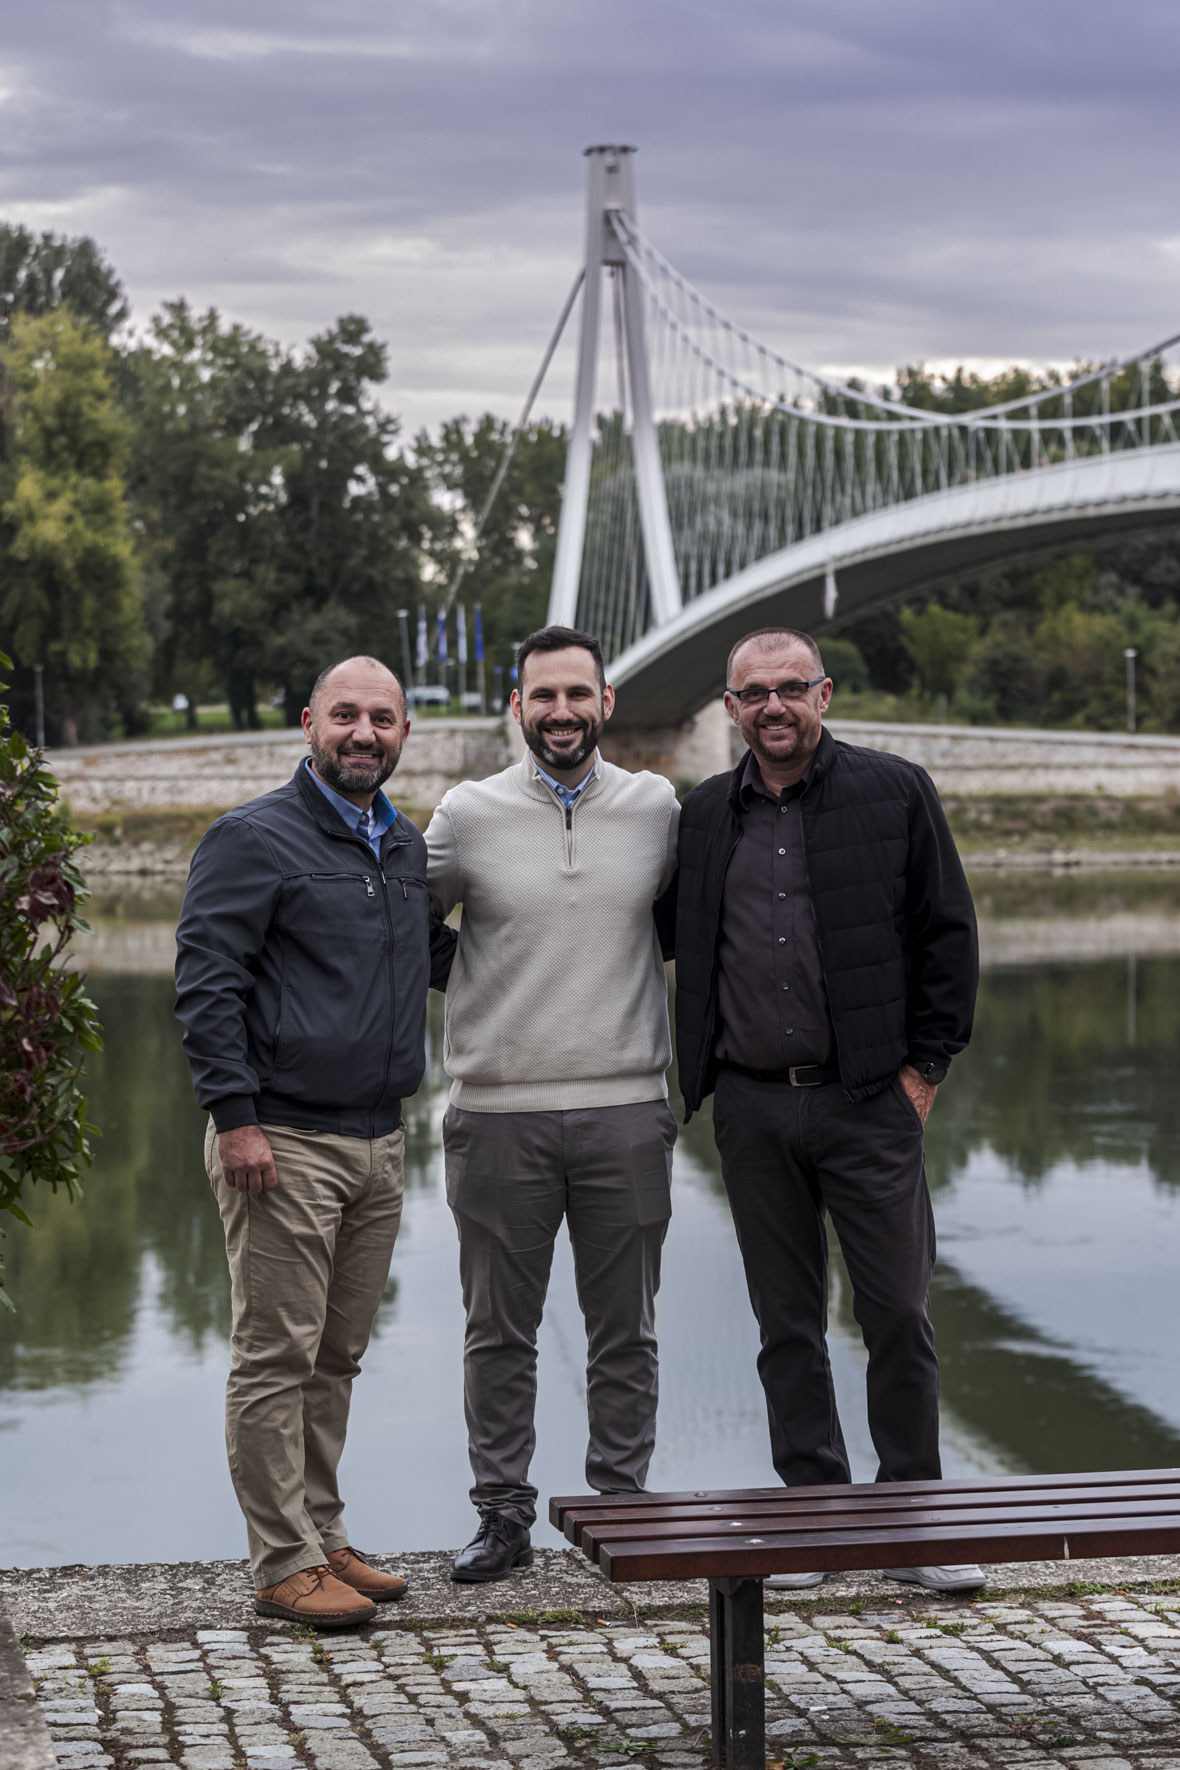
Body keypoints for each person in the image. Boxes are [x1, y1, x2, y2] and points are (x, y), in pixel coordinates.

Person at [672, 625, 984, 1594]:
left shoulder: (894, 792)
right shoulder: (701, 815)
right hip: (753, 1111)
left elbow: (949, 935)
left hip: (867, 1103)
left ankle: (909, 1530)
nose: (772, 706)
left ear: (824, 694)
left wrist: (922, 1072)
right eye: (753, 693)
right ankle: (814, 1519)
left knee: (896, 1312)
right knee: (786, 1325)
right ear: (729, 709)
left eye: (790, 688)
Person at [175, 656, 454, 1627]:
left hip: (379, 1140)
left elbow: (433, 962)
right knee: (274, 1355)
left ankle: (323, 1531)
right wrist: (235, 1118)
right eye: (346, 715)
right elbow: (206, 988)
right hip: (280, 1139)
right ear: (308, 723)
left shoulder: (404, 844)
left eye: (382, 718)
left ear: (404, 732)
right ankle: (281, 1560)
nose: (363, 733)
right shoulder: (253, 837)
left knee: (335, 1355)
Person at [425, 625, 680, 1583]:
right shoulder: (467, 813)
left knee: (628, 1331)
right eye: (544, 697)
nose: (561, 713)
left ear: (606, 702)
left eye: (578, 694)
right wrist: (482, 983)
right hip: (495, 1115)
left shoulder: (658, 808)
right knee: (498, 1333)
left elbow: (695, 926)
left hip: (626, 1107)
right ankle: (501, 1518)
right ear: (519, 707)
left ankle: (622, 1508)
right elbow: (403, 922)